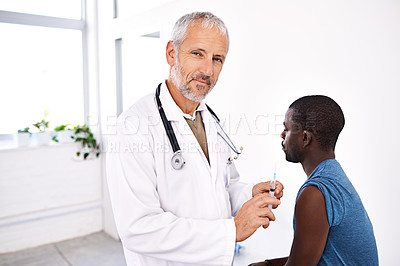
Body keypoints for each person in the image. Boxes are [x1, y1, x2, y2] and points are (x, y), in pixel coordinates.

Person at [106, 11, 284, 266]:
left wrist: (248, 194)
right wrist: (232, 230)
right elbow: (138, 229)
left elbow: (223, 187)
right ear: (171, 53)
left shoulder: (211, 119)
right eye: (197, 53)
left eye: (218, 59)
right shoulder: (133, 127)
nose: (207, 69)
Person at [249, 95, 378, 266]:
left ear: (305, 138)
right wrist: (269, 264)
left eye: (286, 129)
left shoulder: (315, 193)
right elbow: (312, 257)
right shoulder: (334, 177)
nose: (282, 134)